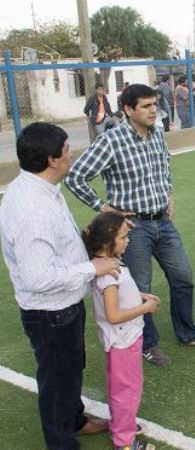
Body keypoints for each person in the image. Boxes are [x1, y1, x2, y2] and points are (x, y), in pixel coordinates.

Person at [66, 83, 195, 367]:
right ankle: (148, 344)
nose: (154, 111)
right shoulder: (111, 141)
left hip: (163, 221)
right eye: (147, 106)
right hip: (133, 228)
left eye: (155, 105)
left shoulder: (158, 134)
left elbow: (164, 167)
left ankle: (188, 333)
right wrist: (105, 208)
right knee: (139, 287)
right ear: (128, 109)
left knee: (183, 277)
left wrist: (169, 193)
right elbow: (75, 177)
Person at [0, 122, 119, 448]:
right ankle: (62, 441)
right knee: (56, 380)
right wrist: (92, 267)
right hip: (50, 312)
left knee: (70, 369)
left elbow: (52, 249)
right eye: (67, 150)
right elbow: (39, 278)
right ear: (53, 159)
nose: (72, 155)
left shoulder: (41, 188)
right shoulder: (32, 210)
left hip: (63, 306)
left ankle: (75, 419)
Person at [82, 211, 160, 450]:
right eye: (124, 237)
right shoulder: (109, 274)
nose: (128, 241)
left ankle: (121, 425)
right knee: (127, 392)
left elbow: (121, 298)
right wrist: (145, 308)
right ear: (107, 242)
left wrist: (140, 297)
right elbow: (114, 315)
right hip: (123, 340)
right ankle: (124, 442)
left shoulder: (111, 265)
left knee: (122, 389)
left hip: (126, 338)